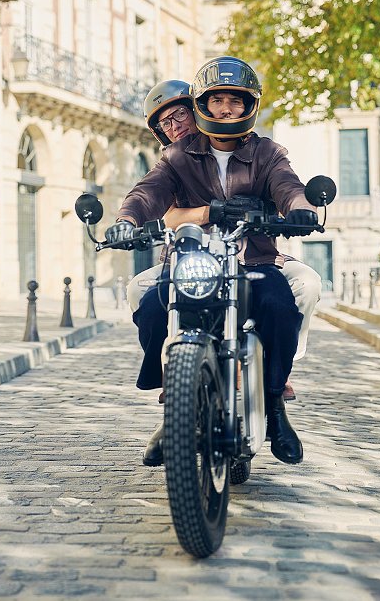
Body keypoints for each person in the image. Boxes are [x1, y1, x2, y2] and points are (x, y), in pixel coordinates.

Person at [109, 56, 318, 468]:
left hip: (252, 259)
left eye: (234, 101)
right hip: (192, 262)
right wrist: (126, 220)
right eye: (217, 100)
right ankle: (175, 410)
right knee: (151, 306)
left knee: (281, 305)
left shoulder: (268, 152)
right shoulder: (179, 156)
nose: (225, 108)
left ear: (248, 106)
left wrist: (300, 208)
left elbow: (288, 185)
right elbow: (148, 191)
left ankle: (274, 405)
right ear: (204, 103)